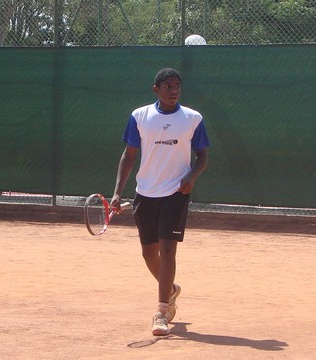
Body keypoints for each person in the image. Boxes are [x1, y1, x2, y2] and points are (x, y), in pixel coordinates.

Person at [111, 67, 210, 336]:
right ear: (156, 89)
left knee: (168, 251)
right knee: (148, 252)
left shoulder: (192, 118)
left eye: (177, 85)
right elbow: (129, 155)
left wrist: (192, 175)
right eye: (168, 86)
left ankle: (162, 311)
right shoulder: (139, 116)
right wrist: (118, 192)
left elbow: (202, 156)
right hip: (145, 192)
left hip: (176, 194)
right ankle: (171, 289)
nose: (174, 90)